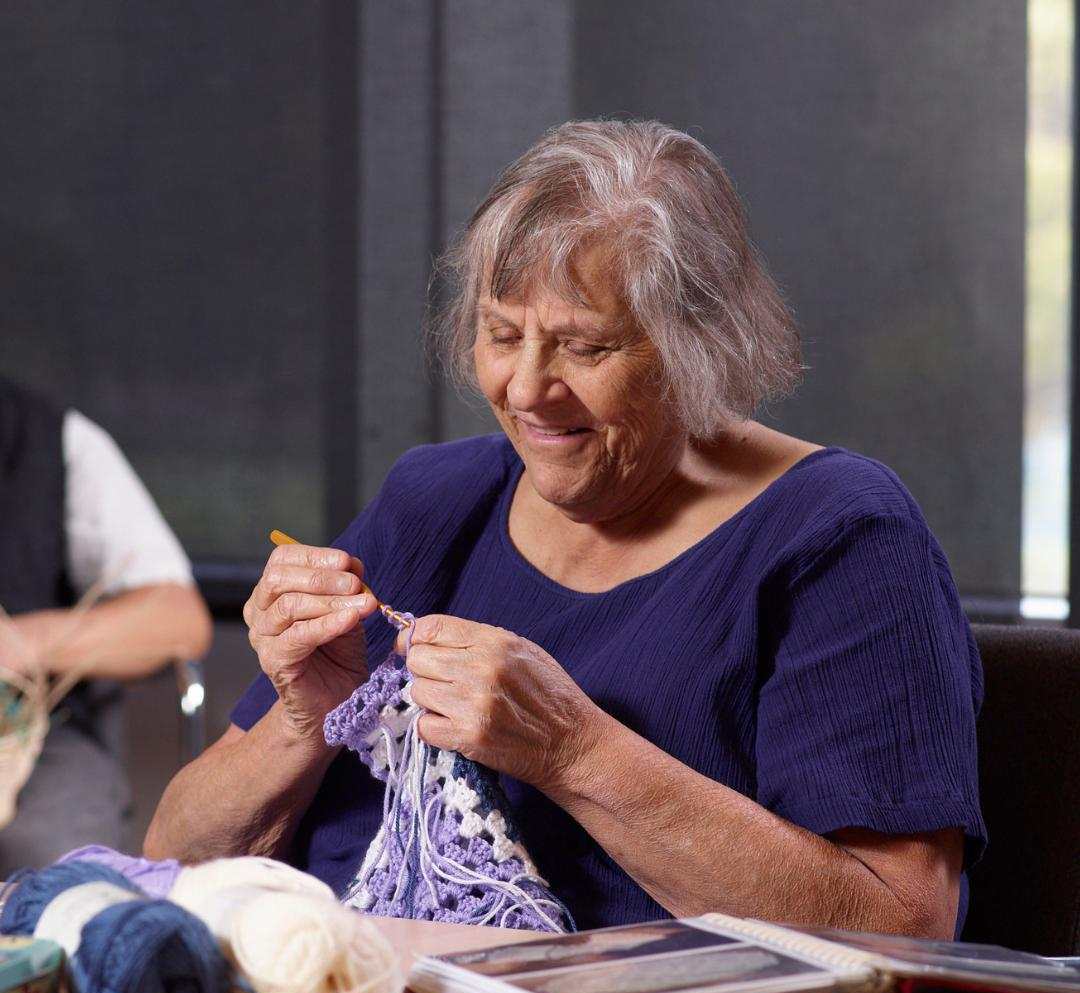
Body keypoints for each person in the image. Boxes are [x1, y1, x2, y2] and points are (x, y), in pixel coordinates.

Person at [146, 120, 986, 939]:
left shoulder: (838, 538)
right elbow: (172, 857)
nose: (526, 389)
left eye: (584, 347)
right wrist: (305, 724)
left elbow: (899, 927)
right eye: (502, 334)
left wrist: (574, 750)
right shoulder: (434, 500)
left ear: (699, 342)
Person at [0, 377, 211, 869]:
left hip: (38, 740)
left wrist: (20, 643)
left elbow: (177, 619)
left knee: (64, 865)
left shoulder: (51, 440)